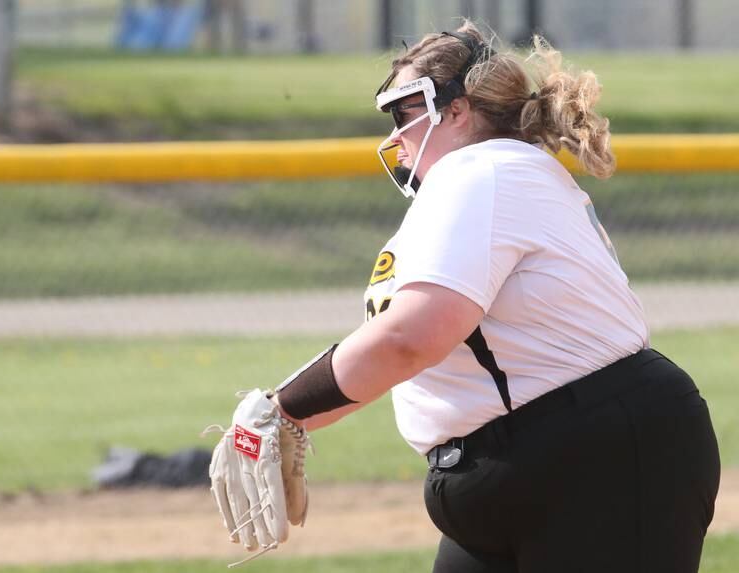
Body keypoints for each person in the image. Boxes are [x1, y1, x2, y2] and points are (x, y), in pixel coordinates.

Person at [268, 21, 721, 573]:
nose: (394, 137)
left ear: (457, 110)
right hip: (530, 461)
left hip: (595, 458)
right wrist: (283, 420)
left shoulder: (481, 172)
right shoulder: (482, 180)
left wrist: (279, 410)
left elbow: (411, 339)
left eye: (404, 112)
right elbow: (401, 354)